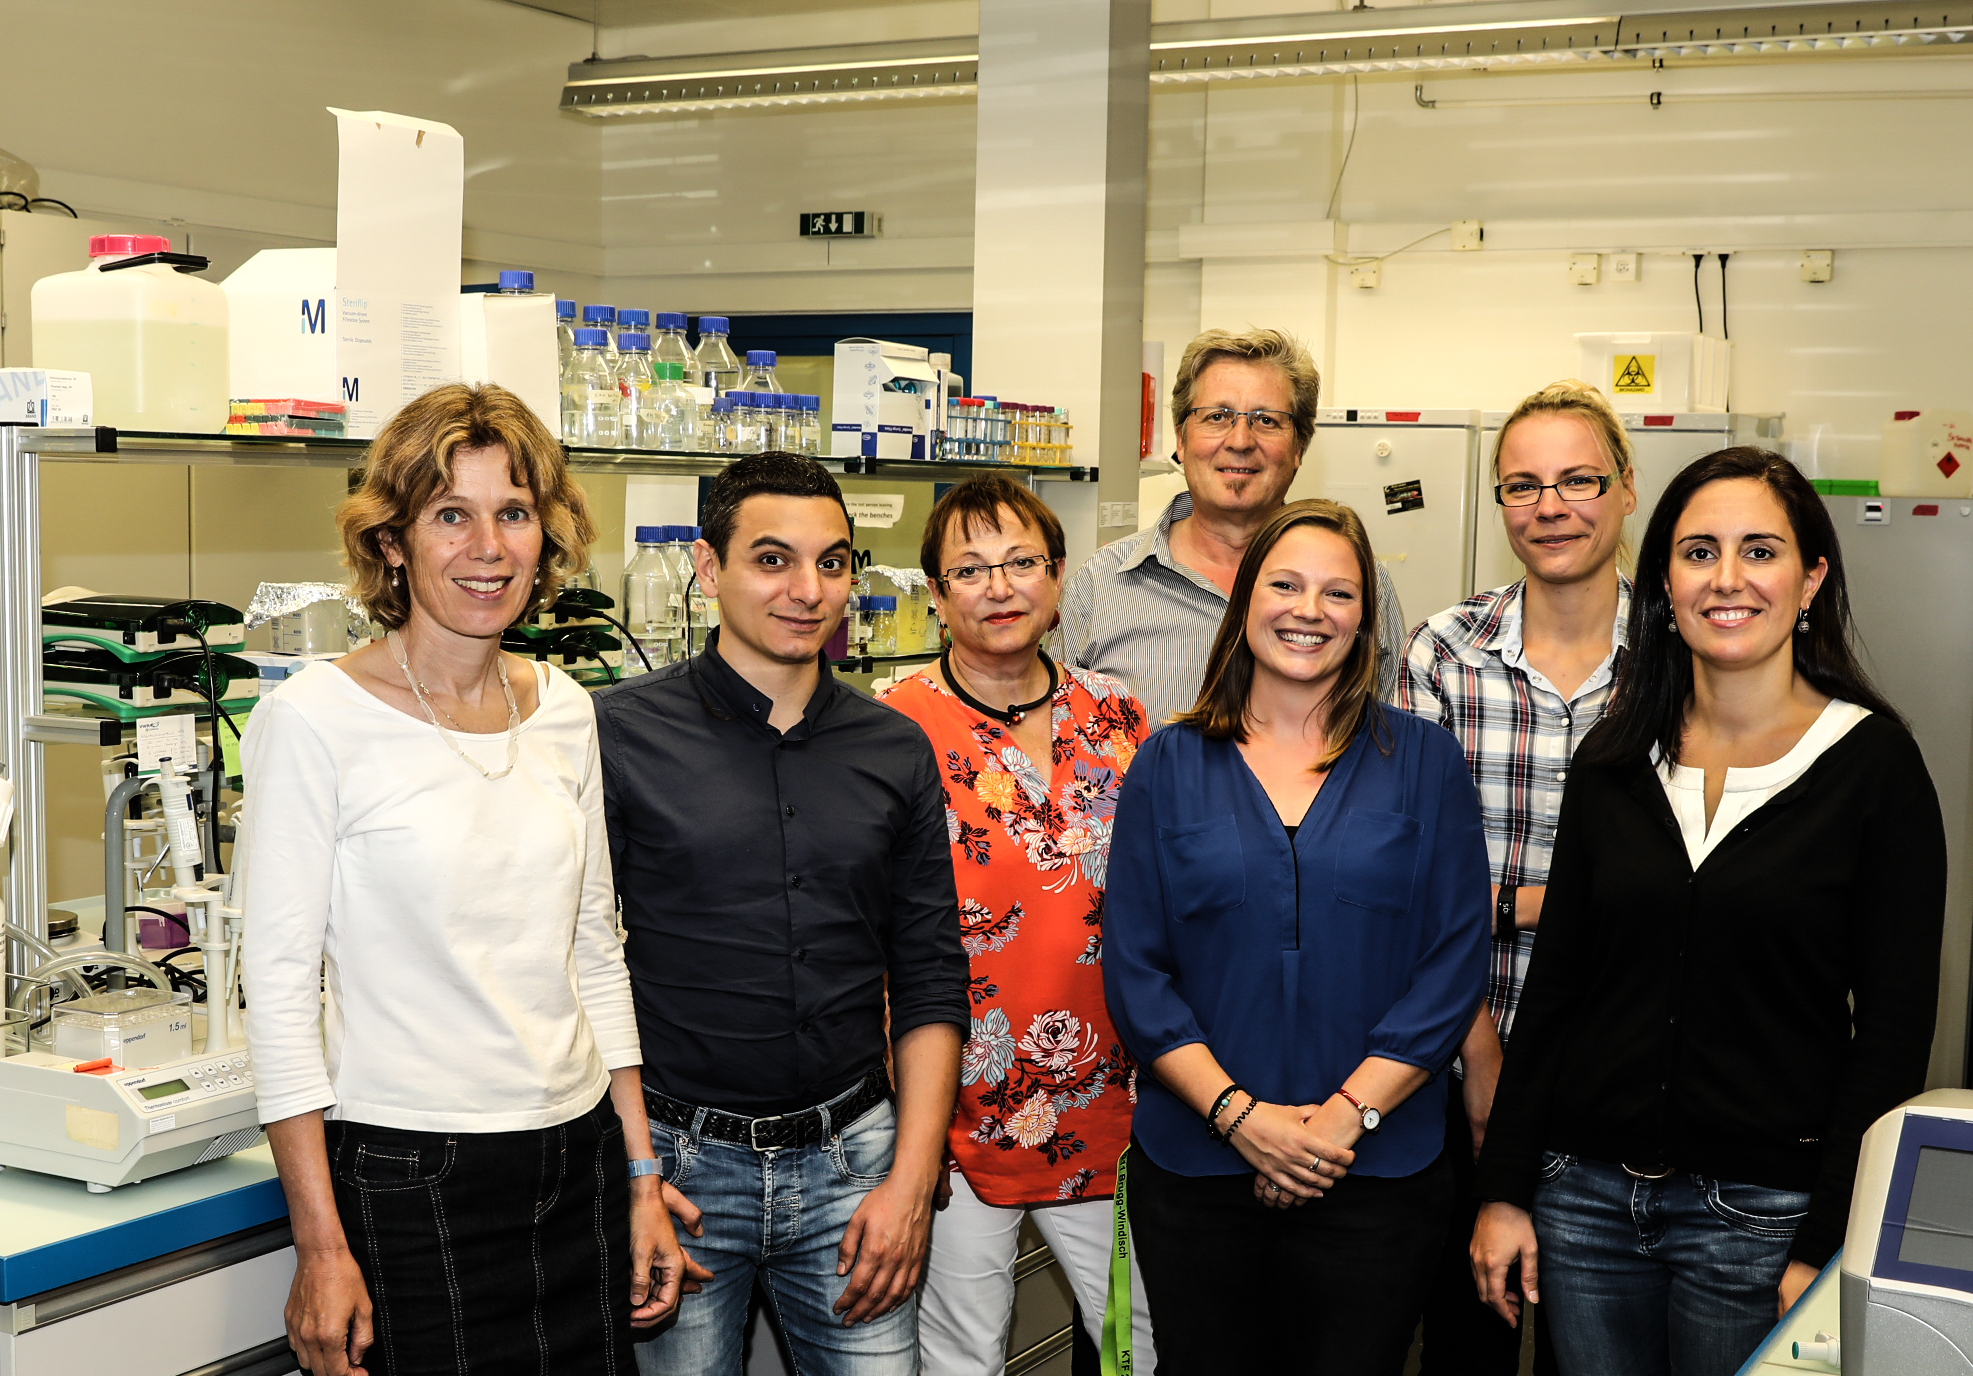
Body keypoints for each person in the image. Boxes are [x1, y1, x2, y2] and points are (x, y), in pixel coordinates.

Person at [240, 383, 688, 1376]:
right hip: (410, 1168)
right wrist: (319, 1243)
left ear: (546, 534)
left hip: (576, 1156)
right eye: (452, 513)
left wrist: (642, 1172)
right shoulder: (317, 717)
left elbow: (592, 952)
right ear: (392, 540)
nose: (488, 546)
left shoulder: (565, 706)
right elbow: (274, 992)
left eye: (513, 513)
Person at [1471, 447, 1948, 1376]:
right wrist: (1503, 1190)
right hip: (1583, 1203)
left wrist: (1827, 1237)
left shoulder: (1874, 769)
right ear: (1662, 583)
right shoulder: (1614, 761)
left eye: (1759, 551)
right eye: (1697, 553)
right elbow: (1558, 987)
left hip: (1762, 1218)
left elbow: (1892, 1034)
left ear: (1810, 578)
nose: (1726, 580)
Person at [592, 451, 969, 1376]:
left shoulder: (894, 746)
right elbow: (577, 963)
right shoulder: (617, 734)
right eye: (772, 560)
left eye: (832, 562)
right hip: (681, 1169)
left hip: (856, 1165)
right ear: (707, 567)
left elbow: (928, 975)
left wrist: (911, 1182)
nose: (808, 590)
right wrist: (638, 1174)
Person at [1103, 498, 1491, 1374]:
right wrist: (1240, 1118)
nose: (1308, 611)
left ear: (1365, 619)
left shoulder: (1423, 761)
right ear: (1243, 602)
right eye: (1284, 584)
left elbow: (1451, 962)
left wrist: (1340, 1122)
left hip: (1377, 1169)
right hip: (1198, 1167)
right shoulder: (1166, 765)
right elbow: (1135, 971)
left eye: (1337, 593)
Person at [877, 475, 1157, 1376]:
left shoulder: (1118, 715)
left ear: (1058, 575)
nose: (998, 587)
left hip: (1110, 1105)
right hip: (948, 1106)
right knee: (962, 1355)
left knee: (1138, 1345)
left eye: (1019, 563)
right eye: (969, 569)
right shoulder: (890, 728)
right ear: (935, 593)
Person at [1402, 380, 1638, 1376]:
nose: (1550, 506)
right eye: (1522, 485)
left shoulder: (1682, 656)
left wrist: (1517, 902)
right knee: (1465, 1337)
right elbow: (1410, 877)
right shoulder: (1443, 652)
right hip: (1460, 1051)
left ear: (1625, 489)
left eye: (1577, 479)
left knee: (1597, 1347)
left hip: (1626, 1072)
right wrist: (1483, 1052)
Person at [1056, 327, 1406, 724]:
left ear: (1299, 447)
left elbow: (1387, 743)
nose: (1240, 440)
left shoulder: (1359, 584)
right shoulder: (1099, 585)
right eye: (1217, 417)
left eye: (1267, 421)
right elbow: (1055, 739)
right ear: (1182, 440)